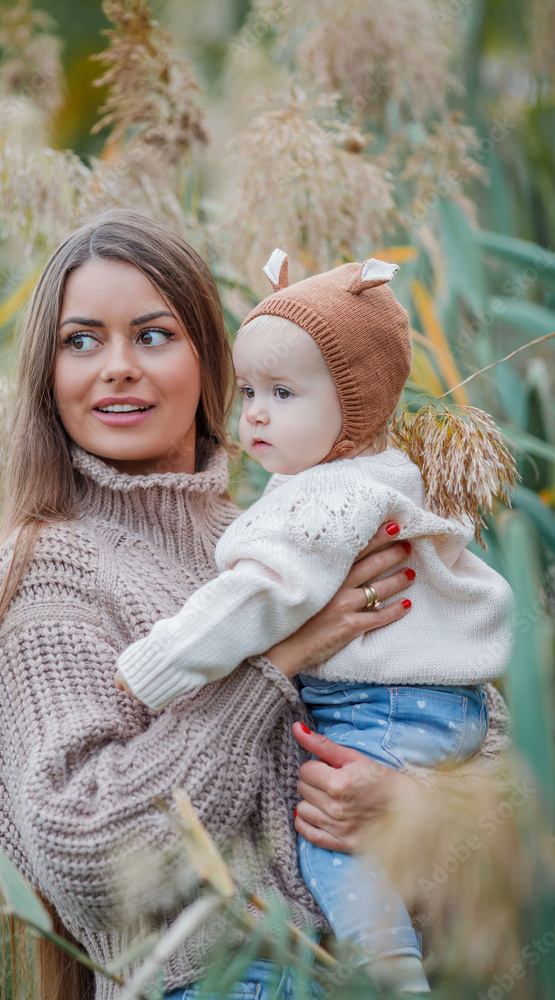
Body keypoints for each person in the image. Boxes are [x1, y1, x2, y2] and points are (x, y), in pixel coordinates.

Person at [0, 211, 512, 1000]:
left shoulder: (298, 531)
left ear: (207, 358)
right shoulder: (51, 571)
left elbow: (501, 767)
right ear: (46, 375)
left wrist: (405, 805)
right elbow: (84, 845)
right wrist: (274, 662)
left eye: (152, 335)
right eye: (80, 341)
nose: (117, 367)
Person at [113, 250, 516, 993]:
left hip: (383, 712)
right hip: (441, 708)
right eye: (249, 392)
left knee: (333, 847)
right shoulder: (380, 477)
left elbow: (255, 596)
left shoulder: (318, 502)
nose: (256, 413)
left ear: (353, 410)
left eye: (283, 393)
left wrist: (160, 663)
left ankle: (393, 977)